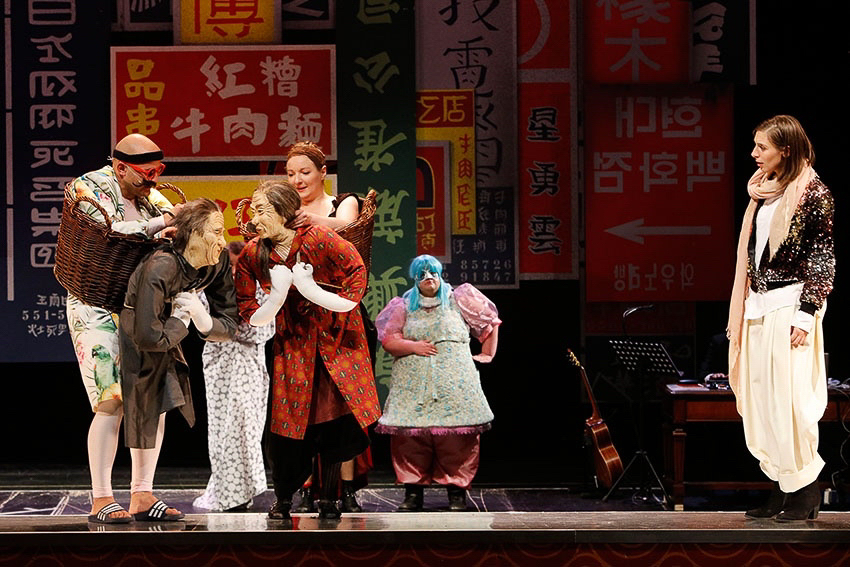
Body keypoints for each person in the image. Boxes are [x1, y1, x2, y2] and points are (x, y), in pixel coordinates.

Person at [235, 180, 381, 520]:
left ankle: (329, 497)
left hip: (335, 340)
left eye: (262, 211)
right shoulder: (253, 253)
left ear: (283, 212)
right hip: (293, 346)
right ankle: (284, 498)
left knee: (334, 421)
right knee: (288, 424)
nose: (254, 219)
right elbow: (248, 309)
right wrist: (275, 297)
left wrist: (315, 292)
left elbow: (356, 273)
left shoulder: (320, 239)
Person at [66, 134, 183, 524]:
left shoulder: (152, 197)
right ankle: (101, 497)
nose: (153, 179)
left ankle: (142, 493)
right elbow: (108, 231)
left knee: (153, 400)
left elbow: (175, 222)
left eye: (157, 171)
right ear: (120, 168)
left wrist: (180, 224)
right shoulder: (89, 187)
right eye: (146, 173)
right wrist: (160, 225)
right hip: (94, 303)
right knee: (111, 399)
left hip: (140, 307)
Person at [727, 115, 834, 522]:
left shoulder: (813, 193)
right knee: (762, 400)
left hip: (790, 304)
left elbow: (822, 258)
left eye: (763, 147)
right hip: (757, 303)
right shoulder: (763, 190)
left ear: (785, 150)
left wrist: (806, 314)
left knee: (790, 400)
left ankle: (806, 491)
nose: (754, 154)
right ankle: (782, 485)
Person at [119, 198, 239, 520]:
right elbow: (147, 336)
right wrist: (181, 322)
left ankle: (142, 493)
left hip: (165, 329)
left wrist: (202, 319)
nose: (223, 240)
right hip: (138, 329)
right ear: (195, 234)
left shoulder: (216, 260)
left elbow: (229, 322)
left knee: (158, 406)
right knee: (134, 406)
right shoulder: (162, 266)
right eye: (216, 232)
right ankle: (111, 495)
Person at [375, 255, 501, 512]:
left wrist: (487, 354)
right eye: (421, 274)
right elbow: (389, 340)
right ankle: (413, 492)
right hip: (413, 384)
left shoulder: (458, 299)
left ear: (440, 274)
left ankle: (456, 492)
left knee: (456, 438)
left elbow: (490, 322)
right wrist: (413, 346)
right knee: (410, 439)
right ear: (415, 278)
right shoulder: (404, 305)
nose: (428, 278)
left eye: (432, 272)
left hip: (454, 382)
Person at [286, 141, 373, 513]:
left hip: (341, 318)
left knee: (344, 405)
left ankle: (346, 486)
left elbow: (349, 226)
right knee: (304, 406)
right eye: (291, 174)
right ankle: (307, 484)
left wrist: (309, 221)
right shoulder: (287, 211)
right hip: (301, 320)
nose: (298, 180)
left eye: (305, 172)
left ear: (323, 173)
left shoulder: (343, 202)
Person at [193, 241, 274, 512]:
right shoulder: (210, 285)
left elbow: (263, 329)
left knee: (242, 426)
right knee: (220, 429)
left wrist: (233, 327)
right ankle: (227, 492)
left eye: (240, 266)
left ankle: (239, 493)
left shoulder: (261, 287)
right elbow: (202, 321)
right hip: (218, 359)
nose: (236, 272)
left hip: (247, 360)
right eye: (231, 266)